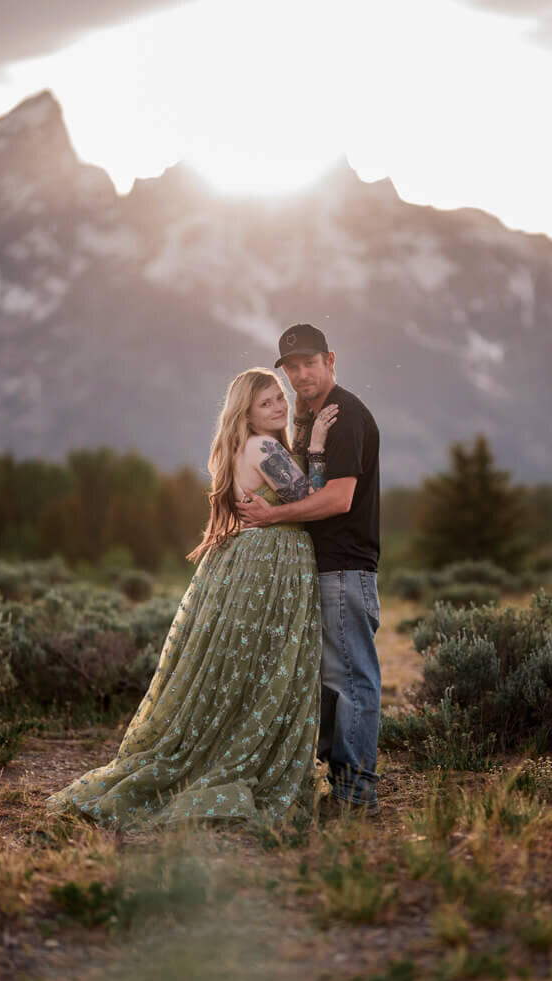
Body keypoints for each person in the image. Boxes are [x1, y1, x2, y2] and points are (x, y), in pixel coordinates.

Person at [45, 368, 338, 829]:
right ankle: (242, 759)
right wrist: (317, 444)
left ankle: (226, 749)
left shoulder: (248, 447)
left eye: (279, 398)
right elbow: (313, 500)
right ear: (246, 413)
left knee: (250, 669)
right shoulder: (264, 448)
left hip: (251, 563)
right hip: (269, 566)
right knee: (265, 668)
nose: (278, 407)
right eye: (265, 403)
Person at [237, 325, 382, 815]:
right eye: (292, 368)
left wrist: (272, 516)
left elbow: (338, 499)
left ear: (330, 360)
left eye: (310, 364)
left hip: (344, 566)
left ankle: (356, 795)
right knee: (331, 683)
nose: (301, 375)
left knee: (352, 681)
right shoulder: (315, 416)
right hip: (325, 569)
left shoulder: (344, 415)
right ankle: (340, 785)